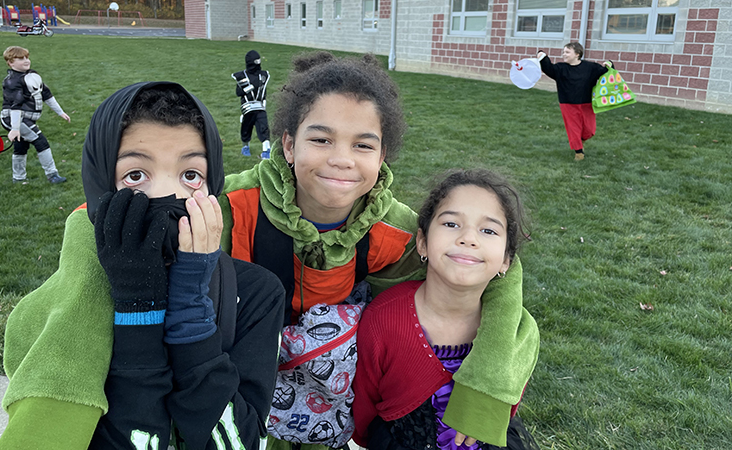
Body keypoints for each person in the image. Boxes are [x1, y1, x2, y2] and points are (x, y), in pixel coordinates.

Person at [219, 52, 535, 449]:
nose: (341, 160)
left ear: (382, 156)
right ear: (287, 144)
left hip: (333, 404)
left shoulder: (396, 229)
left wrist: (486, 390)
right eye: (320, 139)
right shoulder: (229, 207)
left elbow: (498, 278)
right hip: (239, 388)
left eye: (363, 145)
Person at [0, 82, 285, 449]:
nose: (170, 196)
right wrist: (138, 311)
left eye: (191, 176)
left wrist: (192, 314)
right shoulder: (59, 309)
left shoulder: (256, 293)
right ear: (100, 182)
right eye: (136, 176)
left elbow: (239, 443)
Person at [352, 169, 540, 450]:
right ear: (422, 242)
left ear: (506, 261)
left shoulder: (518, 333)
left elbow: (507, 400)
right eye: (451, 224)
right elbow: (364, 408)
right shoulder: (383, 320)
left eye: (488, 230)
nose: (468, 238)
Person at [0, 45, 69, 183]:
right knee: (41, 142)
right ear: (10, 62)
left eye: (26, 57)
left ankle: (18, 178)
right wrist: (15, 128)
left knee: (21, 146)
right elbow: (16, 105)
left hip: (22, 119)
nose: (26, 61)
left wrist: (60, 112)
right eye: (20, 59)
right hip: (14, 118)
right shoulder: (12, 81)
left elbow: (46, 94)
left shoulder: (31, 76)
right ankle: (52, 175)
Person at [536, 42, 610, 161]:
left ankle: (580, 141)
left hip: (587, 103)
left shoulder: (590, 67)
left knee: (590, 130)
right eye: (563, 52)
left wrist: (609, 65)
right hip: (568, 103)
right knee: (573, 128)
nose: (564, 54)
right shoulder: (560, 69)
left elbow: (606, 73)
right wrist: (542, 55)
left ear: (577, 54)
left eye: (567, 52)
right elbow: (548, 68)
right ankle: (579, 152)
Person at [232, 50, 271, 159]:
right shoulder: (242, 76)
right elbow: (238, 93)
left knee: (263, 127)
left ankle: (266, 150)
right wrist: (247, 89)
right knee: (246, 128)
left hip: (260, 107)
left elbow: (264, 92)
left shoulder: (263, 75)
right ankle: (245, 147)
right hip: (248, 108)